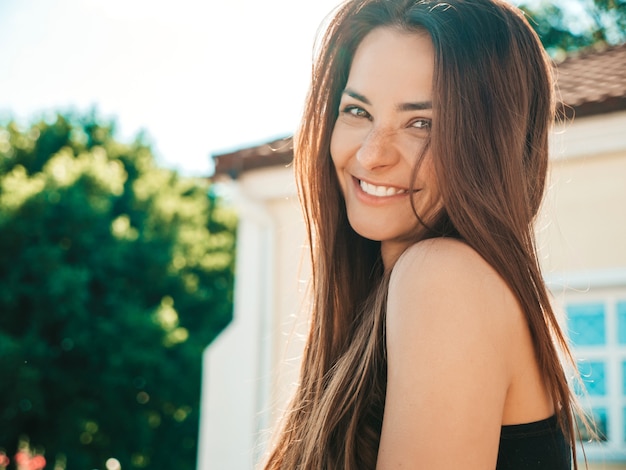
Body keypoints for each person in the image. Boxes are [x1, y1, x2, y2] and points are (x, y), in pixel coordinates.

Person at [263, 0, 588, 468]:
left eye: (421, 124)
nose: (373, 155)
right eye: (357, 111)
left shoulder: (442, 276)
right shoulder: (401, 294)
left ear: (490, 143)